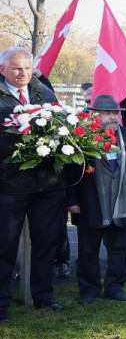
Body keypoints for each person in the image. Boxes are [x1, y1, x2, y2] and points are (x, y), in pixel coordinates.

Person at [0, 46, 69, 318]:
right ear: (3, 69)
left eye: (27, 69)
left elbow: (61, 126)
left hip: (48, 184)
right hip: (10, 186)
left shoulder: (44, 93)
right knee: (4, 247)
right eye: (17, 68)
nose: (23, 74)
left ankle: (43, 296)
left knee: (46, 243)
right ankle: (1, 303)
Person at [66, 94, 126, 304]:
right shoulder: (81, 137)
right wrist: (71, 200)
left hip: (122, 202)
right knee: (88, 250)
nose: (112, 117)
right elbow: (70, 173)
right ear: (95, 115)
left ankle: (115, 287)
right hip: (90, 202)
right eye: (107, 113)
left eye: (115, 113)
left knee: (119, 248)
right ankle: (89, 290)